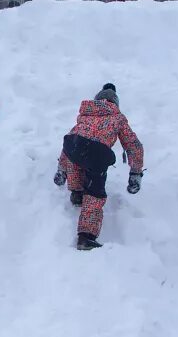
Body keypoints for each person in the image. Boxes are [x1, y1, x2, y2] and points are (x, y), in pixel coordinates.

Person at [54, 83, 144, 249]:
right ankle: (86, 236)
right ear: (115, 103)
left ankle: (77, 192)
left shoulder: (85, 114)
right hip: (97, 153)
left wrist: (61, 169)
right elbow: (133, 145)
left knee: (77, 153)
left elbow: (73, 137)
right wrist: (135, 173)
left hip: (73, 145)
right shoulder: (117, 117)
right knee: (95, 193)